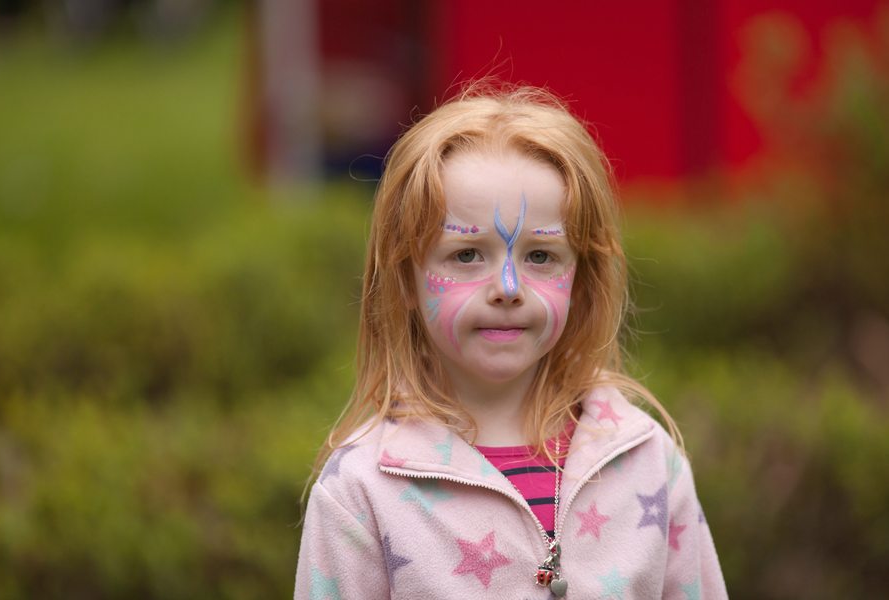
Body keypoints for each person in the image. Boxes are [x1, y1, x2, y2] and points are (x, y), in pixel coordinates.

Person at [295, 84, 728, 599]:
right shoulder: (361, 490)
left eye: (541, 257)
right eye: (466, 255)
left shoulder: (648, 460)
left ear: (581, 280)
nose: (507, 288)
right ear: (406, 279)